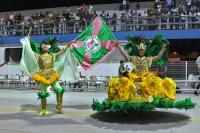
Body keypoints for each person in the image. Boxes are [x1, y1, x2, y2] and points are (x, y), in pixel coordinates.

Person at [20, 34, 79, 115]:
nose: (45, 47)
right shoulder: (38, 56)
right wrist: (28, 41)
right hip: (42, 77)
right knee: (43, 93)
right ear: (41, 47)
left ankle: (59, 108)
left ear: (48, 47)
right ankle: (43, 110)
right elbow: (29, 52)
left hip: (52, 76)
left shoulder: (52, 55)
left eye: (46, 46)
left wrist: (68, 44)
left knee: (59, 90)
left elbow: (62, 52)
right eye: (43, 46)